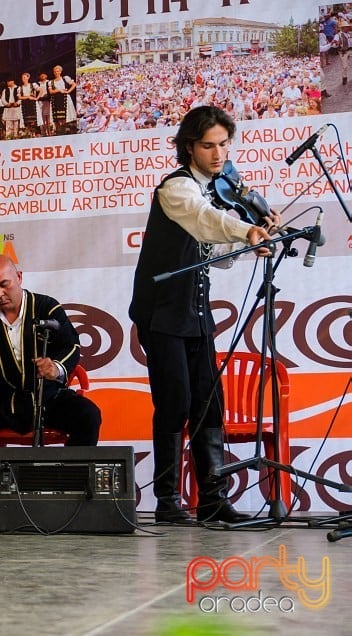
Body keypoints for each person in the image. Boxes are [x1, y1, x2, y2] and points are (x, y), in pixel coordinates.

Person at [129, 105, 277, 524]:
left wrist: (252, 242)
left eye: (223, 145)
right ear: (189, 148)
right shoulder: (175, 189)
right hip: (160, 315)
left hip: (195, 314)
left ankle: (212, 500)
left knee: (209, 404)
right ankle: (168, 502)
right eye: (208, 146)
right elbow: (203, 220)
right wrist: (243, 228)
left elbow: (213, 252)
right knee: (174, 403)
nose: (218, 154)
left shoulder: (215, 191)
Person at [0, 255, 102, 518]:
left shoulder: (47, 308)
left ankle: (68, 490)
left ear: (20, 278)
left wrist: (56, 367)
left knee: (88, 415)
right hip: (4, 404)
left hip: (48, 399)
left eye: (5, 284)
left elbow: (72, 346)